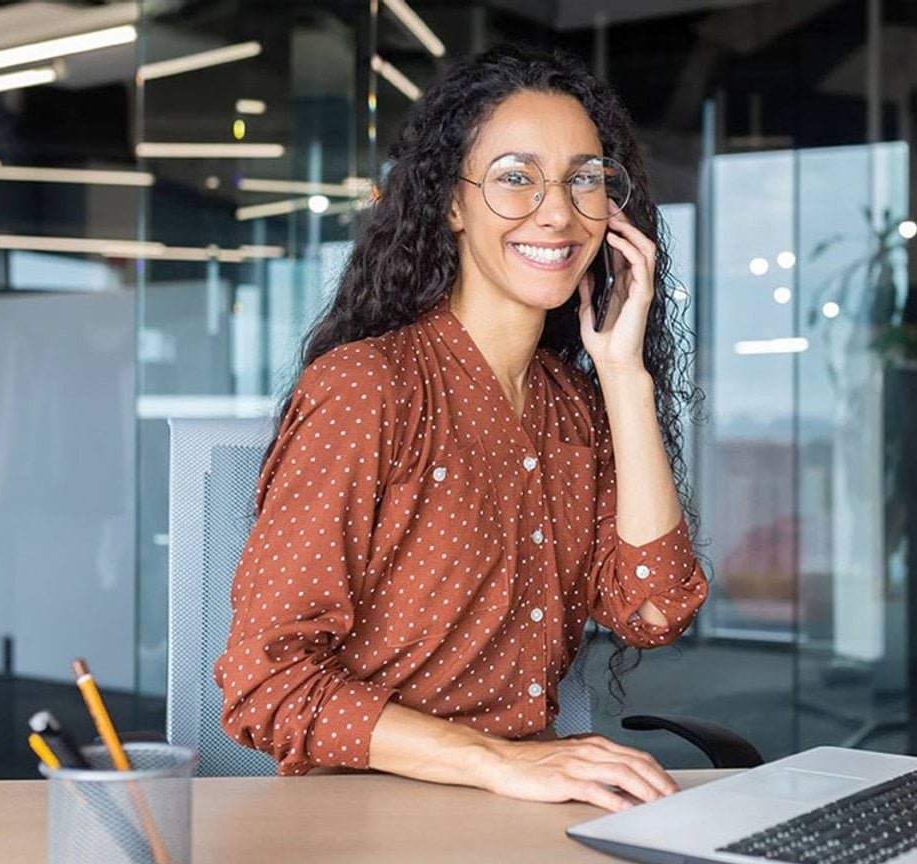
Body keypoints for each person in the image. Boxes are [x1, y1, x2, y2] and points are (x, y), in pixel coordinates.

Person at [212, 44, 708, 813]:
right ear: (452, 203)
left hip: (520, 811)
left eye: (585, 179)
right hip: (369, 817)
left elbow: (654, 610)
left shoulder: (575, 403)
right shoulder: (368, 388)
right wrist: (500, 763)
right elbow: (266, 684)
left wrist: (624, 377)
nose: (557, 211)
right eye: (516, 177)